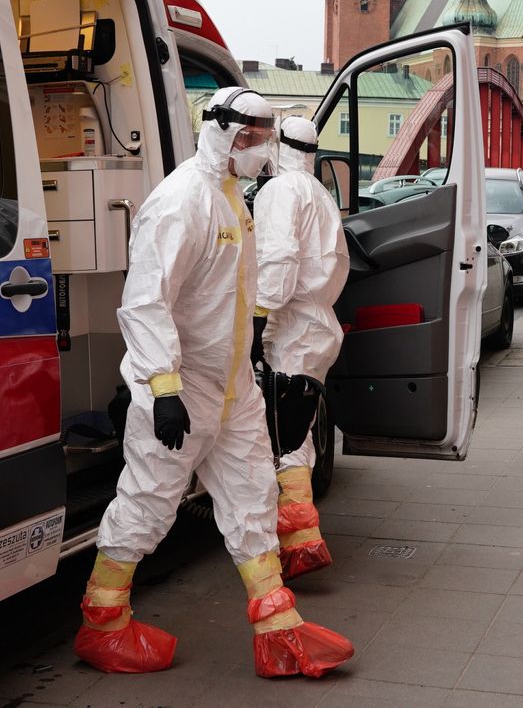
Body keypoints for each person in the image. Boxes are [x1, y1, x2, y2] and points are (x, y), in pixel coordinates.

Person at [74, 88, 353, 678]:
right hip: (180, 390)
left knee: (254, 497)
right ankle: (103, 624)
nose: (261, 148)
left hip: (231, 389)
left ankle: (279, 632)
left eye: (266, 136)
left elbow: (235, 293)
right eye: (253, 137)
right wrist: (163, 387)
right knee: (148, 503)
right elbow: (146, 301)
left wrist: (249, 355)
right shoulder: (180, 203)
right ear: (224, 131)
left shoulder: (232, 200)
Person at [251, 116, 348, 580]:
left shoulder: (279, 191)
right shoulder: (320, 193)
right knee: (298, 432)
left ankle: (299, 541)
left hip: (289, 326)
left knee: (281, 435)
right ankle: (301, 538)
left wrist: (255, 323)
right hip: (317, 326)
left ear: (276, 144)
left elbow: (278, 261)